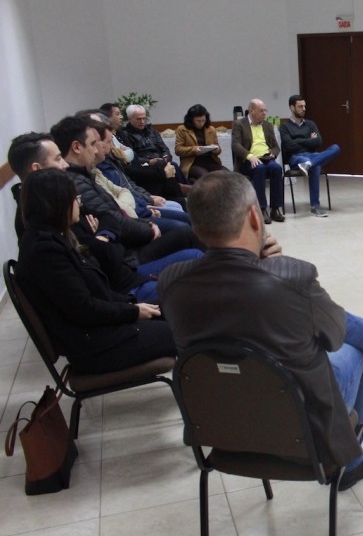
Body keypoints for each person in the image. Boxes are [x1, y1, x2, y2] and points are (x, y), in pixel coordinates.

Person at [158, 171, 363, 490]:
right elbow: (335, 335)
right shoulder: (290, 278)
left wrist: (259, 266)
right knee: (357, 348)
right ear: (254, 217)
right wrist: (273, 269)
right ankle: (350, 464)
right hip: (303, 430)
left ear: (195, 228)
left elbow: (226, 305)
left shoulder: (170, 282)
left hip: (223, 430)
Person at [8, 132, 202, 304]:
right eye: (58, 159)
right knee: (195, 257)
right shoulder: (47, 214)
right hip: (120, 287)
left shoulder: (53, 199)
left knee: (190, 242)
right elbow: (99, 262)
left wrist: (104, 236)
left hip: (121, 271)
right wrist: (106, 239)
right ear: (37, 168)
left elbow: (107, 219)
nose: (65, 164)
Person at [15, 169, 176, 373]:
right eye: (75, 198)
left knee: (175, 307)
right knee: (180, 329)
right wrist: (133, 311)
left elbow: (95, 290)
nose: (79, 204)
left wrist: (131, 305)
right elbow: (84, 309)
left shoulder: (51, 238)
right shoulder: (45, 251)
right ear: (57, 204)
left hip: (100, 329)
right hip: (95, 346)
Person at [279, 95, 341, 218]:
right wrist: (308, 140)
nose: (304, 109)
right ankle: (315, 206)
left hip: (312, 155)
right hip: (295, 157)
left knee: (336, 148)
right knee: (315, 165)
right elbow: (289, 146)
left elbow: (318, 142)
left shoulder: (311, 124)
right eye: (300, 106)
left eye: (304, 106)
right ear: (292, 107)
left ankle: (308, 164)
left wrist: (298, 141)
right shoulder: (284, 127)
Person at [232, 98, 285, 224]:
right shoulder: (239, 124)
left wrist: (273, 153)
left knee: (277, 169)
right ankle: (261, 208)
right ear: (251, 111)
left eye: (265, 110)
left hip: (266, 158)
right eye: (261, 111)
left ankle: (275, 208)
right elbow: (235, 145)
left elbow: (276, 146)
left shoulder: (267, 125)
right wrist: (250, 156)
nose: (264, 113)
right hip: (248, 161)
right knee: (259, 169)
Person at [175, 104, 225, 180]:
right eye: (198, 121)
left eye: (203, 120)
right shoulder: (182, 129)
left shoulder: (211, 129)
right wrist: (194, 149)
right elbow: (178, 150)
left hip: (210, 160)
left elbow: (218, 150)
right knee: (206, 177)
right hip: (192, 162)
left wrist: (216, 149)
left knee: (227, 175)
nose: (201, 123)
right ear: (191, 119)